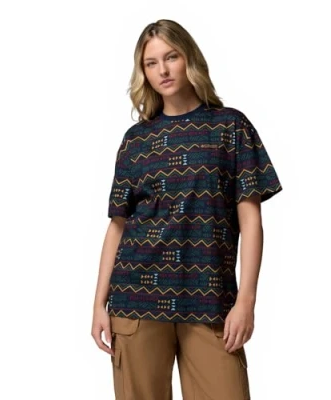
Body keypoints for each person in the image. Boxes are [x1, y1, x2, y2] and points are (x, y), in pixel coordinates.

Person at [91, 19, 283, 400]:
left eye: (171, 57)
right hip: (136, 299)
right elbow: (118, 226)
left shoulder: (230, 127)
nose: (162, 70)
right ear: (143, 72)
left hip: (210, 300)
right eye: (151, 63)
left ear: (189, 58)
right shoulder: (135, 141)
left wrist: (246, 300)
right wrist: (98, 304)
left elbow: (251, 220)